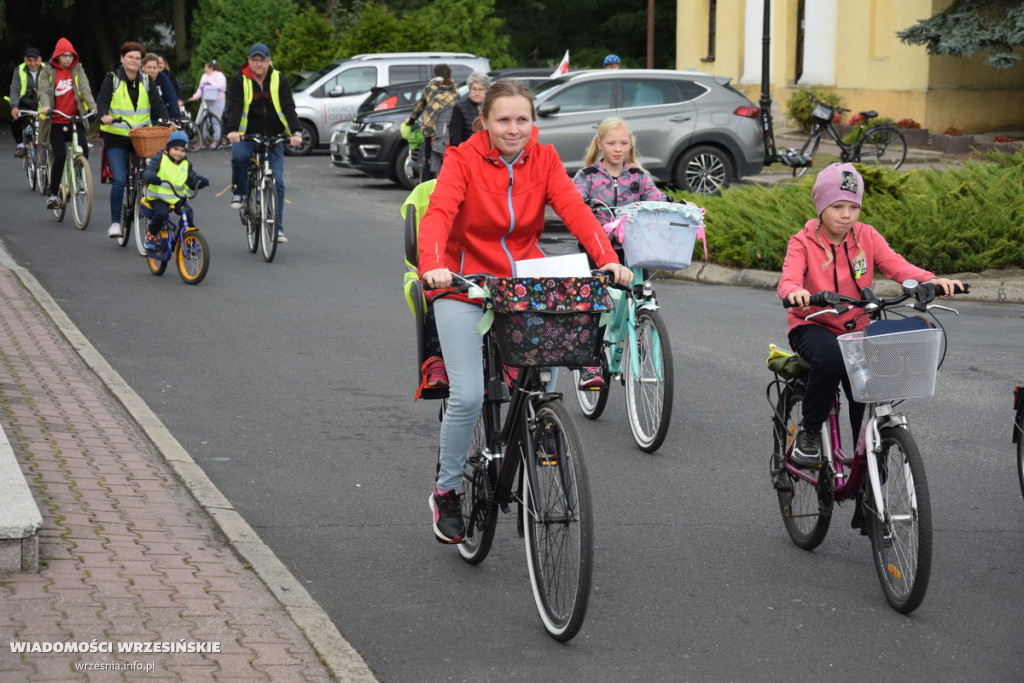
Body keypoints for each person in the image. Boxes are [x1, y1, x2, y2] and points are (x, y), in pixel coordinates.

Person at [417, 79, 633, 544]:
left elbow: (575, 209)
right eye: (503, 120)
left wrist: (608, 258)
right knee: (470, 395)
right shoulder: (462, 158)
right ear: (485, 122)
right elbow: (438, 214)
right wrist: (433, 267)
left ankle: (538, 424)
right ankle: (447, 490)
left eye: (522, 119)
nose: (513, 129)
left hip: (521, 284)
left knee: (547, 361)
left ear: (532, 122)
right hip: (464, 285)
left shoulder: (545, 158)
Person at [777, 163, 962, 468]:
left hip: (856, 328)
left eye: (853, 206)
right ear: (821, 206)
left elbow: (898, 266)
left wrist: (930, 280)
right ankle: (809, 433)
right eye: (837, 206)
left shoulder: (866, 237)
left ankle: (867, 470)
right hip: (812, 324)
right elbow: (789, 278)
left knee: (866, 390)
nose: (846, 214)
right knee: (832, 359)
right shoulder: (803, 241)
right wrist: (795, 291)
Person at [572, 117, 666, 388]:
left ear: (630, 145)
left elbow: (655, 198)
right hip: (597, 248)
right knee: (594, 301)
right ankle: (589, 361)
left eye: (623, 143)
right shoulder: (587, 176)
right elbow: (573, 201)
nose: (617, 148)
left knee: (641, 292)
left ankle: (638, 328)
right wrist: (582, 203)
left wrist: (672, 205)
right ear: (599, 144)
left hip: (633, 249)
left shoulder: (637, 176)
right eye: (611, 142)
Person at [223, 43, 303, 244]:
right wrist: (232, 130)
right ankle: (240, 192)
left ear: (269, 61)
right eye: (255, 60)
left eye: (263, 60)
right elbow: (235, 106)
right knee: (240, 158)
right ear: (249, 60)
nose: (259, 64)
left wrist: (296, 131)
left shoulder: (278, 79)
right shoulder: (238, 80)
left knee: (278, 181)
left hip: (273, 135)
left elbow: (288, 106)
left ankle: (277, 227)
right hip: (245, 133)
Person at [96, 41, 170, 238]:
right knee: (120, 179)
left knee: (150, 175)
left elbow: (158, 103)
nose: (134, 61)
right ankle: (115, 223)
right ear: (122, 59)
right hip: (116, 135)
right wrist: (103, 114)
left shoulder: (146, 80)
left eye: (137, 58)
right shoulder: (112, 78)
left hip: (141, 136)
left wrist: (167, 120)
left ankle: (151, 212)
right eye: (130, 57)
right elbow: (102, 100)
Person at [37, 38, 96, 211]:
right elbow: (44, 90)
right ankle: (53, 193)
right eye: (64, 56)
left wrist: (93, 108)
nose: (68, 59)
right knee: (60, 155)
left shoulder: (78, 69)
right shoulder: (48, 71)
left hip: (75, 119)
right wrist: (46, 106)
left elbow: (85, 90)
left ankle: (79, 178)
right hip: (55, 120)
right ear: (57, 56)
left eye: (71, 55)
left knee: (83, 149)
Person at [140, 131, 208, 248]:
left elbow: (191, 179)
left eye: (183, 151)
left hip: (176, 197)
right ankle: (151, 234)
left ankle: (189, 237)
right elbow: (149, 170)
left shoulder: (186, 164)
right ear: (169, 147)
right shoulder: (160, 158)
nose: (179, 153)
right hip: (157, 197)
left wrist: (199, 182)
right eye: (175, 149)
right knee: (162, 213)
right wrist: (151, 176)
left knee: (187, 212)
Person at [406, 64, 458, 182]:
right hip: (448, 131)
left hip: (432, 131)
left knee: (428, 160)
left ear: (435, 75)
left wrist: (411, 121)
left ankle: (427, 184)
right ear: (449, 75)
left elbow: (419, 108)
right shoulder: (454, 89)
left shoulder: (430, 88)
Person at [9, 47, 43, 158]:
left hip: (43, 104)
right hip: (25, 103)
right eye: (29, 60)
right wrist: (14, 107)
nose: (33, 63)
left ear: (40, 60)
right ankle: (20, 145)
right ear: (25, 60)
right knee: (15, 121)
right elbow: (14, 89)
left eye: (35, 60)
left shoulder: (47, 69)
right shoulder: (19, 70)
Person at [187, 61, 227, 149]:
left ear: (210, 68)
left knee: (215, 121)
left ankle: (217, 141)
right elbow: (200, 88)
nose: (204, 69)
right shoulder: (204, 76)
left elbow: (222, 86)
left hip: (217, 100)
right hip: (206, 99)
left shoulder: (219, 75)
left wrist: (210, 85)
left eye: (205, 67)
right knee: (203, 121)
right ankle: (203, 141)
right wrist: (195, 97)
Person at [448, 71, 489, 147]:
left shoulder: (492, 105)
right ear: (470, 90)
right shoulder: (460, 106)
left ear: (486, 91)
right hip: (467, 150)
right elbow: (455, 137)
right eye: (474, 89)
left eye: (481, 89)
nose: (477, 93)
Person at [141, 54, 180, 120]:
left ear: (158, 68)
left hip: (162, 115)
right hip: (143, 117)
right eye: (149, 67)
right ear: (143, 67)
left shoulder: (163, 78)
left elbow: (171, 97)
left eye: (155, 68)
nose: (152, 70)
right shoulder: (138, 79)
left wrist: (176, 118)